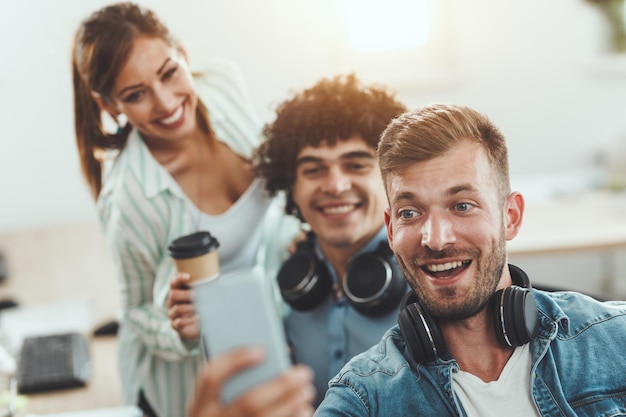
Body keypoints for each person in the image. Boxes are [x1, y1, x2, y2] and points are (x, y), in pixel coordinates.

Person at [313, 103, 626, 416]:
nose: (435, 239)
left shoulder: (616, 339)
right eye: (410, 213)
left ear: (511, 216)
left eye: (462, 206)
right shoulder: (364, 397)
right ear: (392, 230)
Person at [72, 3, 300, 416]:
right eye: (135, 95)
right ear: (108, 106)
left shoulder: (221, 84)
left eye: (168, 73)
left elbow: (273, 199)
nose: (165, 103)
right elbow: (137, 310)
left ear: (184, 57)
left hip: (264, 328)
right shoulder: (130, 200)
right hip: (186, 384)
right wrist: (180, 330)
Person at [168, 74, 408, 408]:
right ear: (290, 186)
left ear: (392, 178)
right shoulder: (285, 279)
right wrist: (202, 327)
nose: (336, 185)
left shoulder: (430, 278)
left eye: (355, 165)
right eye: (313, 170)